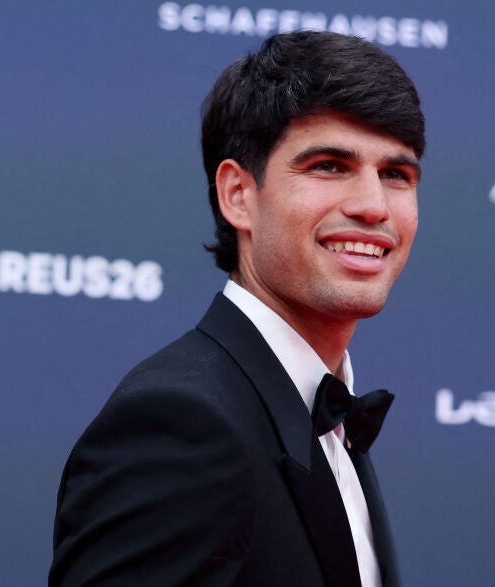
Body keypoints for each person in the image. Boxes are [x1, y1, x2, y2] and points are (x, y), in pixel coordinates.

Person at [50, 31, 425, 586]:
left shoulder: (323, 418)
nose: (373, 206)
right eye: (328, 166)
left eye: (395, 175)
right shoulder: (182, 427)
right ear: (238, 195)